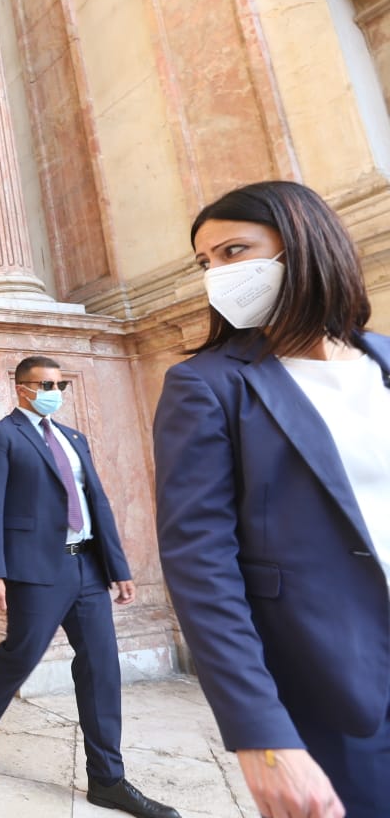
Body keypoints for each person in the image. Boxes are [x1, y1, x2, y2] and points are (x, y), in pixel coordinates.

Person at [153, 180, 390, 818]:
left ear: (302, 242)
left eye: (234, 252)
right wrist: (261, 737)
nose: (218, 276)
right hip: (334, 690)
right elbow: (201, 567)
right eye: (206, 263)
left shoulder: (384, 361)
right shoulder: (206, 385)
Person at [0, 355, 179, 818]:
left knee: (102, 667)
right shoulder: (0, 435)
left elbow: (96, 503)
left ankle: (107, 779)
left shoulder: (74, 437)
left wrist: (119, 568)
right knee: (20, 654)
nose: (55, 392)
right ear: (21, 388)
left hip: (86, 569)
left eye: (61, 384)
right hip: (35, 570)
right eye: (46, 384)